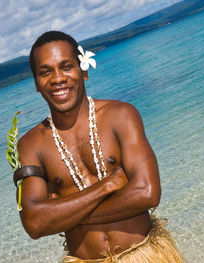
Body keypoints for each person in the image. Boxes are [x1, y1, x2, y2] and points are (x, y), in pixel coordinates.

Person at [14, 31, 185, 262]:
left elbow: (148, 193)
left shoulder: (120, 115)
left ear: (83, 70)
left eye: (66, 66)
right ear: (36, 83)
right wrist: (106, 186)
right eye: (45, 72)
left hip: (145, 254)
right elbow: (35, 223)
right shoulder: (31, 144)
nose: (58, 78)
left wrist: (64, 214)